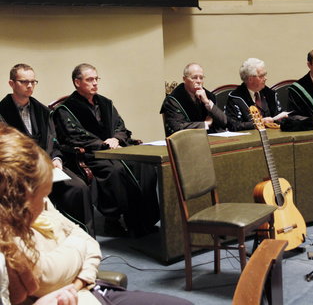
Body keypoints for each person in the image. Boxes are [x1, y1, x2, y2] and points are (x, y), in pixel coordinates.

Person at [0, 123, 193, 305]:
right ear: (16, 201)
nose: (45, 204)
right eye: (41, 197)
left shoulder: (40, 205)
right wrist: (78, 247)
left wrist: (78, 282)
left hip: (88, 290)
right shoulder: (9, 245)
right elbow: (46, 276)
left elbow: (90, 243)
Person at [52, 64, 159, 237]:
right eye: (90, 79)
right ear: (77, 82)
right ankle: (114, 219)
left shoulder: (105, 103)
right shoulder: (66, 110)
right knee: (115, 171)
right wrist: (102, 143)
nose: (95, 83)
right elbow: (74, 136)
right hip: (92, 154)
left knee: (144, 164)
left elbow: (120, 126)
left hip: (116, 149)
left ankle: (143, 220)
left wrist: (116, 139)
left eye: (96, 79)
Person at [0, 64, 94, 236]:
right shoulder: (2, 112)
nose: (30, 86)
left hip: (47, 164)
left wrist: (57, 159)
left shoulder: (43, 111)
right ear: (11, 83)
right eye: (24, 82)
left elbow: (54, 142)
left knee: (79, 187)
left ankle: (81, 237)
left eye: (33, 82)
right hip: (18, 168)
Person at [160, 63, 227, 136]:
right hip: (186, 142)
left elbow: (224, 121)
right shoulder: (173, 101)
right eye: (194, 77)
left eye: (201, 78)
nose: (198, 81)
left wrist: (207, 102)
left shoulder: (208, 96)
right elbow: (177, 128)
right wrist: (205, 124)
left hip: (211, 139)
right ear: (184, 79)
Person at [225, 58, 285, 131]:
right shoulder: (235, 98)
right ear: (250, 79)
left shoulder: (270, 94)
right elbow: (234, 125)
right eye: (261, 76)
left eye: (265, 74)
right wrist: (258, 123)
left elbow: (280, 116)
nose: (266, 78)